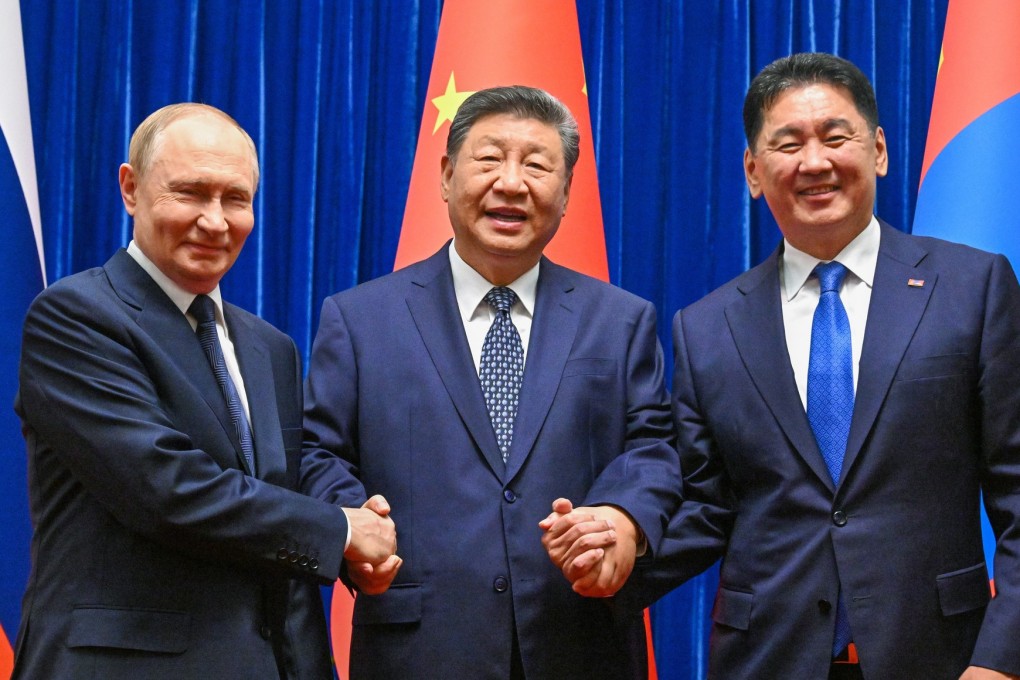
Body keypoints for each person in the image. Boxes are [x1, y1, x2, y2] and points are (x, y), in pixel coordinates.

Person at [546, 53, 1020, 679]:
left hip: (944, 658)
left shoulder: (972, 287)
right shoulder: (708, 327)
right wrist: (620, 552)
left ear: (877, 149)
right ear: (752, 170)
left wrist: (1001, 662)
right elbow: (708, 505)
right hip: (766, 658)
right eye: (787, 144)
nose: (814, 162)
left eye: (836, 136)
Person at [300, 85, 679, 679]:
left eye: (536, 165)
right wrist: (354, 524)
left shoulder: (621, 320)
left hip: (580, 643)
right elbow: (317, 450)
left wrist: (624, 521)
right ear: (447, 175)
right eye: (489, 159)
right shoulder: (359, 319)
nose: (511, 182)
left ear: (567, 192)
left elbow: (655, 447)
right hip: (418, 649)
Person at [12, 103, 396, 680]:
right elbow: (165, 487)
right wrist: (340, 532)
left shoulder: (270, 346)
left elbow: (280, 483)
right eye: (191, 192)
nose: (216, 221)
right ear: (131, 189)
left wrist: (362, 530)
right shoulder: (75, 317)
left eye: (236, 199)